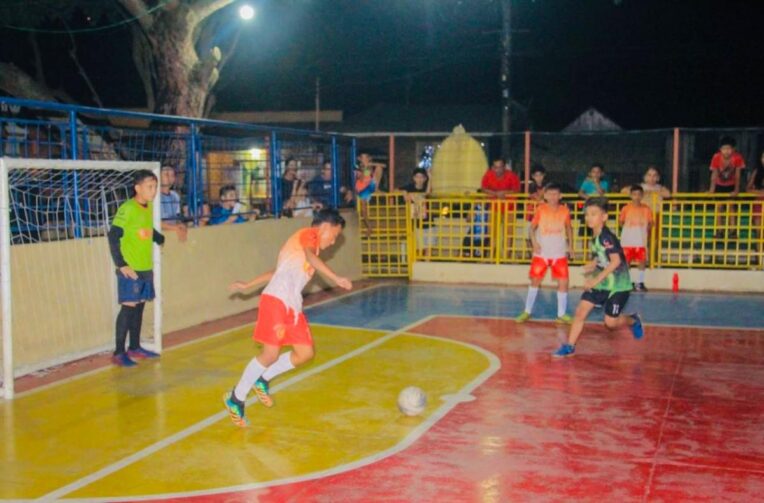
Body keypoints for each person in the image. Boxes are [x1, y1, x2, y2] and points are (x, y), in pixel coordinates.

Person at [223, 209, 352, 427]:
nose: (333, 242)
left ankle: (263, 379)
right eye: (335, 236)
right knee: (270, 353)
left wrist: (248, 284)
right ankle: (236, 398)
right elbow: (310, 256)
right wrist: (335, 277)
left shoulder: (303, 250)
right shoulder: (309, 235)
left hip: (292, 306)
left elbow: (277, 272)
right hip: (276, 300)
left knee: (305, 353)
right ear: (325, 227)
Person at [552, 197, 643, 358]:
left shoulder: (606, 237)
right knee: (580, 312)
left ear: (604, 217)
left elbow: (615, 261)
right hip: (602, 282)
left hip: (618, 285)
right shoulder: (595, 235)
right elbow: (600, 255)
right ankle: (570, 346)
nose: (589, 218)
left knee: (610, 323)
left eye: (593, 214)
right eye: (587, 215)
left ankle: (633, 320)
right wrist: (593, 264)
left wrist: (595, 280)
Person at [107, 170, 163, 367]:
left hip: (145, 266)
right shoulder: (127, 208)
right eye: (150, 186)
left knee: (139, 307)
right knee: (128, 308)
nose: (154, 190)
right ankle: (119, 352)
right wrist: (121, 264)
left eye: (155, 186)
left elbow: (145, 229)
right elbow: (113, 236)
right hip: (130, 268)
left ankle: (135, 347)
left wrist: (158, 238)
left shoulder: (148, 207)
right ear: (137, 188)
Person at [515, 183, 574, 324]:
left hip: (559, 252)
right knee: (535, 281)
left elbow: (569, 228)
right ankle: (527, 311)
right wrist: (534, 243)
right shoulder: (541, 210)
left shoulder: (565, 211)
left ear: (561, 196)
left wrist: (571, 246)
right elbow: (532, 228)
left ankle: (561, 314)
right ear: (545, 196)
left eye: (556, 194)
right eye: (550, 194)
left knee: (563, 282)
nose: (553, 197)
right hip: (542, 253)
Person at [709, 136, 746, 238]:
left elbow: (738, 175)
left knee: (731, 206)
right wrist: (712, 190)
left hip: (731, 184)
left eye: (729, 149)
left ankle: (733, 231)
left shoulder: (737, 158)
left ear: (733, 149)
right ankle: (719, 231)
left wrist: (736, 190)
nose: (726, 151)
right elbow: (714, 174)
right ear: (720, 149)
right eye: (724, 149)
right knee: (719, 206)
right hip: (719, 184)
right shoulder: (716, 157)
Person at [619, 185, 653, 291]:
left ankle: (640, 282)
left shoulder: (646, 209)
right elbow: (621, 222)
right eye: (634, 194)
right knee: (626, 262)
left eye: (639, 194)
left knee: (642, 261)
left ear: (642, 195)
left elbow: (651, 223)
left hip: (640, 241)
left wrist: (645, 230)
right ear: (630, 195)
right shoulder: (626, 208)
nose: (636, 197)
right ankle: (626, 282)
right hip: (627, 241)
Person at [400, 168, 434, 257]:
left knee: (428, 246)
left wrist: (430, 178)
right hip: (415, 222)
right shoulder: (408, 188)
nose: (419, 179)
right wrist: (405, 194)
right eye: (417, 177)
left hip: (428, 220)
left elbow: (427, 193)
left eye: (421, 177)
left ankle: (427, 265)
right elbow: (400, 192)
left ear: (425, 179)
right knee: (418, 247)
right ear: (413, 178)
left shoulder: (427, 186)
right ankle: (417, 265)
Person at [354, 151, 385, 237]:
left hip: (370, 184)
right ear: (359, 159)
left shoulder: (370, 166)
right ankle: (369, 227)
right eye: (362, 158)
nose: (364, 159)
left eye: (366, 157)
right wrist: (365, 168)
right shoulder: (357, 166)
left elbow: (383, 166)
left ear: (369, 158)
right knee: (364, 210)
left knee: (379, 168)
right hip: (362, 187)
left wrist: (370, 164)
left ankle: (376, 188)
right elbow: (361, 178)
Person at [159, 165, 187, 242]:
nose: (169, 178)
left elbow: (177, 217)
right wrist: (175, 228)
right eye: (166, 174)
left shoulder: (175, 196)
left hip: (172, 232)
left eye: (172, 175)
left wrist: (180, 224)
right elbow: (154, 222)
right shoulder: (154, 196)